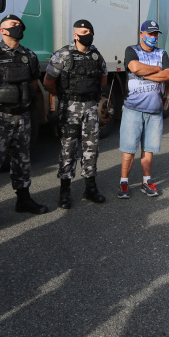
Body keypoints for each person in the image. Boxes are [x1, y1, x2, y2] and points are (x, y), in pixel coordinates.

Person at [0, 14, 48, 230]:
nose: (18, 27)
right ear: (2, 30)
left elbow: (34, 84)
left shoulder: (28, 55)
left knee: (23, 160)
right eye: (12, 25)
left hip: (23, 117)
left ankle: (23, 200)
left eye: (19, 24)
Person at [43, 19, 108, 209]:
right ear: (75, 35)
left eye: (89, 30)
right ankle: (65, 193)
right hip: (69, 107)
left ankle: (90, 188)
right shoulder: (63, 55)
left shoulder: (97, 56)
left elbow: (103, 79)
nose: (86, 34)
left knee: (91, 149)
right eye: (83, 31)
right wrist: (64, 96)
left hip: (90, 108)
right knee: (68, 150)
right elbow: (49, 82)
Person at [118, 20, 169, 199]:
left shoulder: (162, 52)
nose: (153, 37)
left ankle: (146, 181)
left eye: (156, 34)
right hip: (133, 109)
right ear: (141, 34)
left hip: (154, 110)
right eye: (150, 34)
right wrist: (158, 70)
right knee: (129, 150)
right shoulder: (132, 50)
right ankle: (124, 182)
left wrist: (145, 72)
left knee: (148, 150)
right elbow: (134, 67)